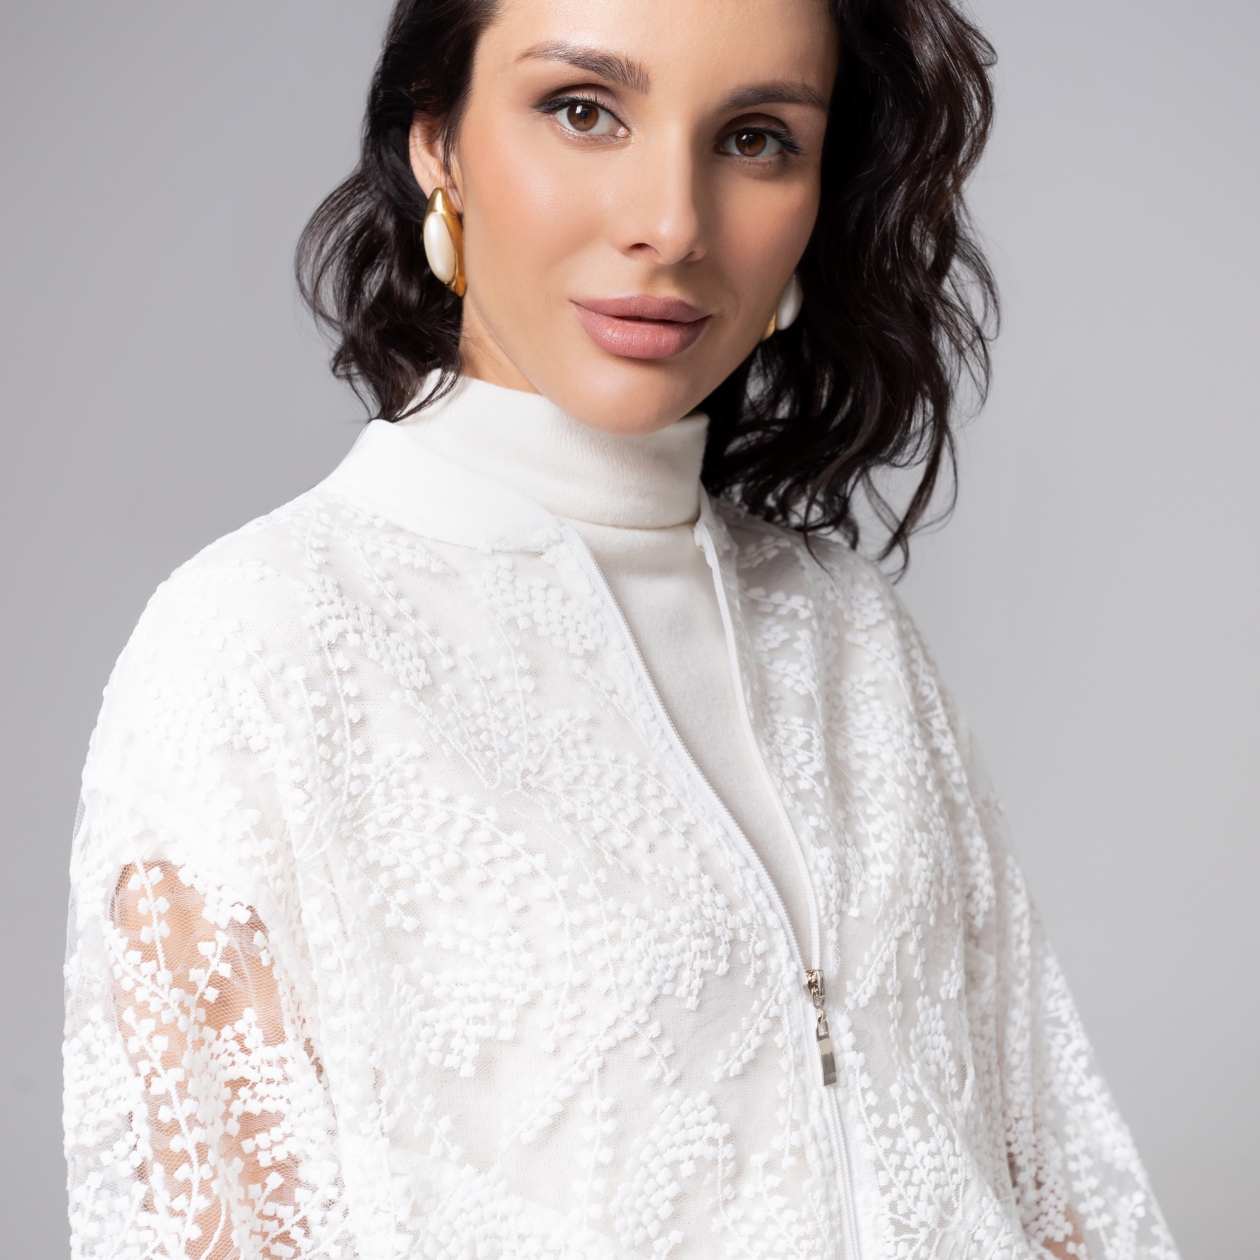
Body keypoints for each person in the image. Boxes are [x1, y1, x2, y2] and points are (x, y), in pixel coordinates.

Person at [63, 0, 1179, 1256]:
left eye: (756, 138)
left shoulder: (851, 637)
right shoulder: (255, 648)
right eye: (584, 110)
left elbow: (1052, 1195)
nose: (673, 223)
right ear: (437, 140)